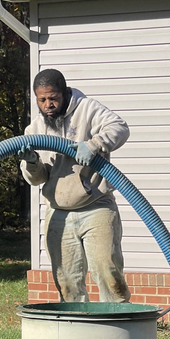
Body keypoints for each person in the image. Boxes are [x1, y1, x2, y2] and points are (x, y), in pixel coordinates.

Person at [20, 68, 131, 303]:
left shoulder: (87, 109)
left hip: (96, 205)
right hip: (58, 211)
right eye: (42, 100)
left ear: (65, 93)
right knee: (66, 280)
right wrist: (31, 163)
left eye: (53, 98)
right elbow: (37, 179)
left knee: (108, 273)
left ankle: (119, 329)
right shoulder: (35, 130)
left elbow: (120, 127)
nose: (48, 104)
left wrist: (95, 144)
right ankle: (78, 333)